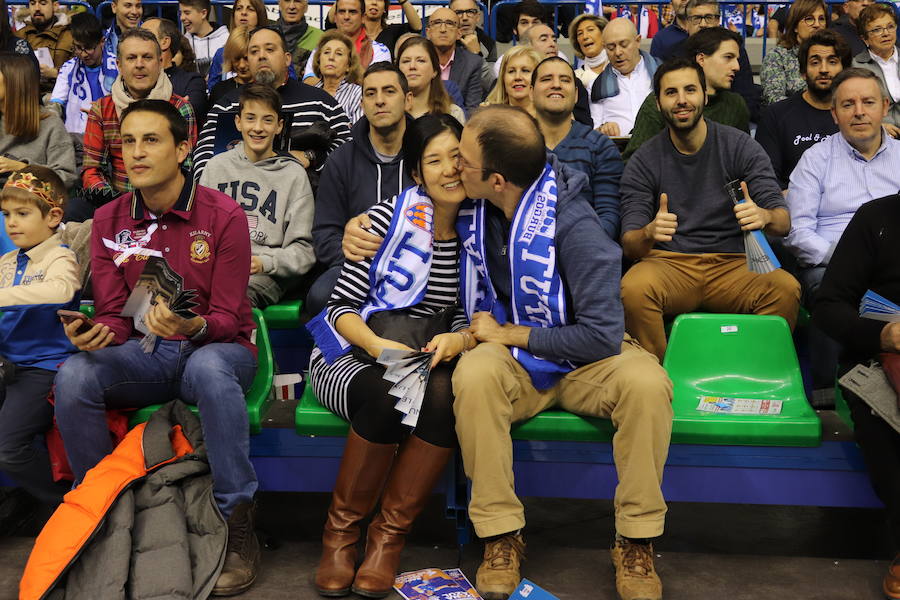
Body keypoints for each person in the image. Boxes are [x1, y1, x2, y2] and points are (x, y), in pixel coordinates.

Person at [448, 105, 672, 600]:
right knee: (474, 376)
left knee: (648, 384)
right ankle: (500, 535)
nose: (454, 167)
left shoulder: (577, 226)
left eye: (463, 159)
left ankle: (635, 542)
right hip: (516, 363)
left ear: (498, 178)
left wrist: (514, 335)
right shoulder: (476, 205)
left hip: (585, 360)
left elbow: (601, 335)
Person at [55, 99, 261, 596]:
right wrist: (95, 333)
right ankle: (103, 511)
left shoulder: (223, 214)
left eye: (151, 140)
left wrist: (190, 326)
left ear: (182, 148)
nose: (137, 153)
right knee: (75, 374)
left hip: (216, 349)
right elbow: (113, 314)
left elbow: (231, 319)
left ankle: (237, 521)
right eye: (128, 141)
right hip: (144, 353)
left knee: (212, 370)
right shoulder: (107, 220)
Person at [309, 113, 468, 598]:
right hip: (355, 355)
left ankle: (387, 541)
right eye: (434, 160)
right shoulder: (384, 221)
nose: (450, 169)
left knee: (445, 393)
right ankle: (340, 537)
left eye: (457, 157)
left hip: (428, 358)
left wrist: (456, 338)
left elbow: (468, 314)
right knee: (386, 389)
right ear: (417, 174)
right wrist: (381, 349)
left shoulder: (478, 231)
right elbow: (337, 311)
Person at [620, 58, 800, 361]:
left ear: (705, 95)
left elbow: (783, 222)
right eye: (671, 92)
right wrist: (649, 232)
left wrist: (764, 216)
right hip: (671, 263)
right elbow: (630, 244)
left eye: (690, 90)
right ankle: (659, 377)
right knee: (634, 288)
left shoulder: (740, 146)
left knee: (785, 289)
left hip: (736, 262)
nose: (681, 100)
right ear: (658, 101)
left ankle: (753, 373)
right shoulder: (644, 160)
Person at [784, 68, 900, 396]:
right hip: (831, 265)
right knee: (828, 294)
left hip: (893, 263)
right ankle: (826, 394)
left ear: (885, 106)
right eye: (848, 104)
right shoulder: (815, 160)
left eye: (868, 102)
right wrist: (849, 259)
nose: (859, 111)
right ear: (834, 114)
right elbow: (798, 232)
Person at [813, 192, 900, 600]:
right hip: (878, 361)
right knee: (885, 425)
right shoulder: (876, 218)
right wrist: (882, 334)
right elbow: (829, 304)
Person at [0, 166, 79, 512]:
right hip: (8, 366)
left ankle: (65, 506)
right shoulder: (5, 261)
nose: (11, 223)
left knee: (8, 448)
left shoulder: (60, 256)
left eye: (22, 213)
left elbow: (63, 289)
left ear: (53, 216)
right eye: (6, 215)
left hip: (43, 370)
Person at [309, 63, 414, 315]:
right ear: (361, 104)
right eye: (370, 93)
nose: (379, 101)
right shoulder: (341, 159)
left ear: (408, 100)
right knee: (319, 296)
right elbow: (324, 233)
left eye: (389, 91)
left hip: (417, 263)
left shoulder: (427, 153)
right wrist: (347, 248)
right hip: (357, 265)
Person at [200, 84, 315, 308]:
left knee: (234, 296)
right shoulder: (215, 168)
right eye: (250, 118)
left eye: (267, 120)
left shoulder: (293, 175)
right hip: (217, 267)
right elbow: (199, 232)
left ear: (279, 126)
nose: (258, 128)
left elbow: (304, 251)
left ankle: (233, 343)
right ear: (238, 122)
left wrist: (264, 262)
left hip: (266, 273)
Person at [194, 26, 351, 179]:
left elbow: (348, 149)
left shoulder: (320, 102)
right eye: (254, 51)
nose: (261, 56)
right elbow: (203, 154)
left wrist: (311, 157)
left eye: (269, 49)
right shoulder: (228, 104)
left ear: (287, 58)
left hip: (307, 198)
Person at [82, 28, 197, 202]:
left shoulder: (181, 109)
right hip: (116, 201)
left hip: (167, 202)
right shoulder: (102, 109)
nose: (139, 64)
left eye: (147, 57)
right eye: (131, 58)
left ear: (160, 62)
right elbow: (92, 171)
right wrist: (115, 204)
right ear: (119, 65)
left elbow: (186, 169)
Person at [624, 27, 749, 161]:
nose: (737, 66)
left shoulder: (736, 104)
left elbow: (745, 158)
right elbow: (633, 160)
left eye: (736, 59)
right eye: (728, 57)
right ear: (701, 59)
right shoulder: (662, 101)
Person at [533, 56, 623, 240]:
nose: (556, 85)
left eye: (565, 80)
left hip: (585, 250)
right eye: (546, 79)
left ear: (575, 95)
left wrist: (583, 250)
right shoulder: (514, 145)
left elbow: (609, 214)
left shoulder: (600, 146)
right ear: (531, 92)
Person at [756, 29, 849, 190]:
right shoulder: (777, 115)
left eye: (832, 61)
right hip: (793, 205)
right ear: (803, 72)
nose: (824, 69)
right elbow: (765, 178)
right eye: (815, 62)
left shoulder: (855, 115)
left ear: (844, 69)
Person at [668, 0, 762, 122]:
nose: (703, 24)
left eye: (708, 18)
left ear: (718, 21)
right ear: (687, 23)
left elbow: (747, 99)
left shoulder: (735, 51)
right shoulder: (674, 54)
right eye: (696, 18)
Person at [0, 54, 76, 190]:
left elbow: (66, 178)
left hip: (28, 203)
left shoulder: (50, 123)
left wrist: (23, 168)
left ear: (14, 81)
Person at [591, 18, 660, 137]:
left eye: (624, 45)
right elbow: (593, 132)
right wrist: (603, 129)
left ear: (638, 41)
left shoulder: (661, 72)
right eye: (611, 48)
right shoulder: (598, 85)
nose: (618, 52)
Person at [49, 11, 112, 136]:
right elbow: (56, 104)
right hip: (75, 138)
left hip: (108, 135)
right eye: (78, 47)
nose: (83, 54)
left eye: (89, 48)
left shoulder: (117, 66)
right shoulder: (69, 68)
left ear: (102, 42)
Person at [303, 0, 391, 83]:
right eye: (342, 12)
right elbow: (308, 81)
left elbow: (376, 84)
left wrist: (332, 83)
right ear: (335, 17)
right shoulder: (322, 47)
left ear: (363, 17)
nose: (346, 17)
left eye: (352, 12)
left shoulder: (379, 50)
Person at [761, 0, 827, 105]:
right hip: (790, 117)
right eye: (809, 19)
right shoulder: (777, 56)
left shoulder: (834, 55)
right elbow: (773, 97)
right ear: (795, 26)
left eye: (821, 19)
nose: (817, 24)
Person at [142, 17, 209, 121]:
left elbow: (187, 117)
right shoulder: (136, 79)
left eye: (146, 35)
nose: (137, 40)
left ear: (165, 42)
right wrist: (175, 107)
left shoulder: (192, 82)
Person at [426, 6, 483, 116]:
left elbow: (472, 110)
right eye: (437, 23)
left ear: (459, 33)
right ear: (428, 32)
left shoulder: (472, 63)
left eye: (450, 23)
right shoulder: (418, 60)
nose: (443, 29)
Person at [851, 3, 900, 131]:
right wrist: (878, 127)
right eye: (877, 30)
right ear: (864, 38)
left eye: (890, 27)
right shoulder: (855, 67)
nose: (886, 33)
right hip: (877, 135)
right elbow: (852, 108)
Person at [396, 36, 466, 123]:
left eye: (421, 61)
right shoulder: (388, 114)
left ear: (435, 70)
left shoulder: (453, 114)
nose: (412, 66)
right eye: (406, 61)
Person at [208, 0, 268, 90]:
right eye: (239, 8)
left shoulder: (273, 51)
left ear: (260, 16)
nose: (243, 13)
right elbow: (213, 91)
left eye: (250, 9)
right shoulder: (221, 54)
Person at [15, 0, 73, 88]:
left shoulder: (70, 36)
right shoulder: (19, 35)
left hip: (57, 94)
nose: (37, 8)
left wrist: (56, 73)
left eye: (43, 3)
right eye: (33, 3)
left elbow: (81, 71)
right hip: (25, 94)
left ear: (55, 6)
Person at [311, 30, 364, 124]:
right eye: (326, 52)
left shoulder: (357, 94)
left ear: (349, 65)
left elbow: (357, 135)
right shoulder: (309, 95)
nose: (331, 57)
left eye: (339, 53)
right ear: (319, 61)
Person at [483, 45, 543, 116]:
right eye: (511, 71)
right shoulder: (487, 115)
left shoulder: (551, 117)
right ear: (503, 78)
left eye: (525, 70)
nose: (517, 77)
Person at [101, 0, 143, 91]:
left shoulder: (153, 38)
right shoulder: (102, 41)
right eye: (128, 6)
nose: (134, 12)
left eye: (138, 6)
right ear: (114, 7)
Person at [273, 0, 321, 80]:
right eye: (287, 1)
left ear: (306, 7)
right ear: (279, 4)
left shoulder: (320, 37)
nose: (292, 6)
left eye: (297, 1)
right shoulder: (267, 34)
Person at [179, 0, 228, 76]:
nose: (181, 18)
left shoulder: (226, 39)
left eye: (187, 13)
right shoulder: (182, 42)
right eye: (180, 13)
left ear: (203, 13)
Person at [210, 26, 253, 105]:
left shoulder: (269, 89)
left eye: (246, 58)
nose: (242, 65)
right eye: (236, 58)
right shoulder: (219, 91)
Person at [450, 0, 496, 65]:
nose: (465, 17)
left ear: (478, 17)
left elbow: (489, 74)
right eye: (458, 12)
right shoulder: (442, 42)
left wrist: (476, 54)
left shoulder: (488, 43)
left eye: (470, 12)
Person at [570, 13, 609, 91]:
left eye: (590, 30)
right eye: (580, 33)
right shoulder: (574, 77)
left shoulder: (620, 68)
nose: (585, 37)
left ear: (604, 34)